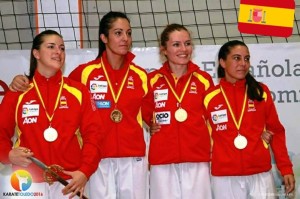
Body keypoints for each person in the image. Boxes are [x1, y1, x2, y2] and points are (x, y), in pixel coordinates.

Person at [8, 11, 150, 199]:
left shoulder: (140, 75)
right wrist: (20, 81)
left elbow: (153, 114)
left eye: (129, 33)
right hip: (92, 164)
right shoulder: (83, 74)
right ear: (104, 38)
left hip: (129, 158)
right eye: (118, 33)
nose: (125, 38)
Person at [0, 30, 104, 198]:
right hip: (26, 181)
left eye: (62, 48)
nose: (58, 52)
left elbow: (95, 136)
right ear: (36, 53)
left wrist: (84, 171)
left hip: (69, 182)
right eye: (51, 47)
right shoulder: (17, 92)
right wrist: (8, 154)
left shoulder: (78, 91)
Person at [203, 40, 295, 199]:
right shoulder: (209, 97)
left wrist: (285, 168)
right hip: (224, 177)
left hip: (260, 173)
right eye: (237, 58)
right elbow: (198, 134)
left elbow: (276, 132)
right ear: (222, 62)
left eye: (246, 59)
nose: (243, 64)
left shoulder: (260, 91)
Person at [143, 23, 214, 199]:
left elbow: (215, 119)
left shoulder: (204, 80)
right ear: (164, 50)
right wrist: (150, 124)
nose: (184, 49)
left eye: (187, 43)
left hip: (197, 160)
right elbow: (142, 114)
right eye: (176, 44)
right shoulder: (151, 81)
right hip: (162, 161)